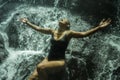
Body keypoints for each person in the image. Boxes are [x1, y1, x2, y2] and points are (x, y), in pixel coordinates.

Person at [20, 18, 111, 80]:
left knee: (40, 67)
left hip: (60, 61)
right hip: (48, 59)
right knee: (32, 78)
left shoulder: (69, 33)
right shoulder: (52, 31)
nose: (61, 19)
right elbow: (38, 28)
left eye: (64, 20)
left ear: (67, 25)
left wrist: (99, 27)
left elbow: (84, 34)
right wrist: (27, 22)